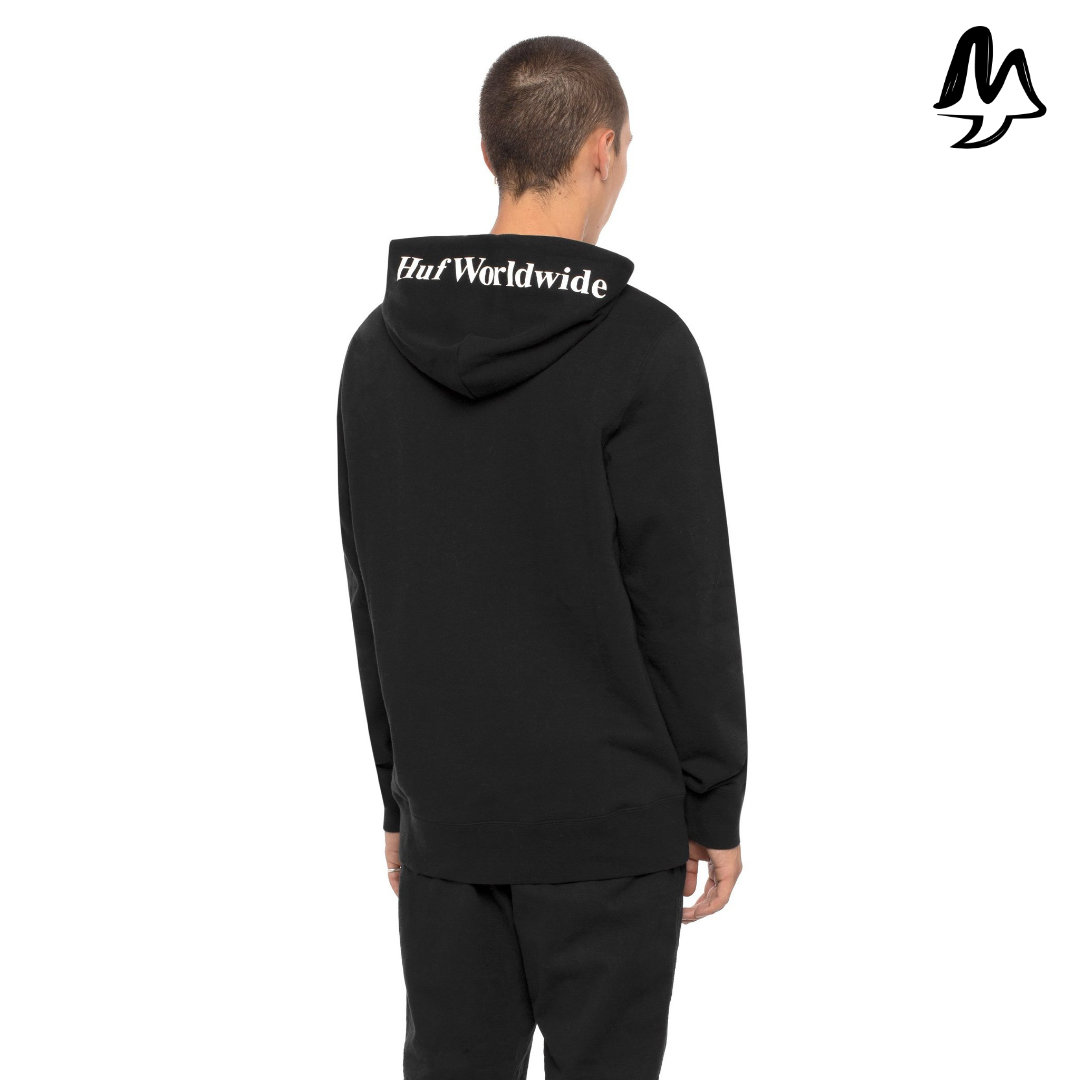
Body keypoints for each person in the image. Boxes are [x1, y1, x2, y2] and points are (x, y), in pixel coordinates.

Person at [336, 35, 748, 1080]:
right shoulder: (645, 350)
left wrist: (398, 794)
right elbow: (684, 599)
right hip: (610, 833)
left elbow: (372, 590)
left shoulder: (377, 351)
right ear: (603, 150)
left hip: (449, 824)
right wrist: (714, 800)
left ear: (490, 154)